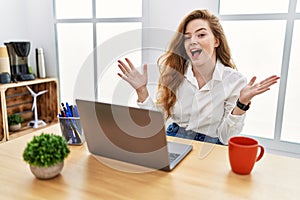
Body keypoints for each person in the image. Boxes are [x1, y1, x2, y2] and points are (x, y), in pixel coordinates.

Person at [117, 9, 279, 145]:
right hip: (173, 140)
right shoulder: (174, 74)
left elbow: (226, 137)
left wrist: (242, 104)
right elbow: (155, 123)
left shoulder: (235, 81)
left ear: (216, 41)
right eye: (187, 37)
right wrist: (141, 91)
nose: (193, 41)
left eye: (201, 35)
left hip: (210, 146)